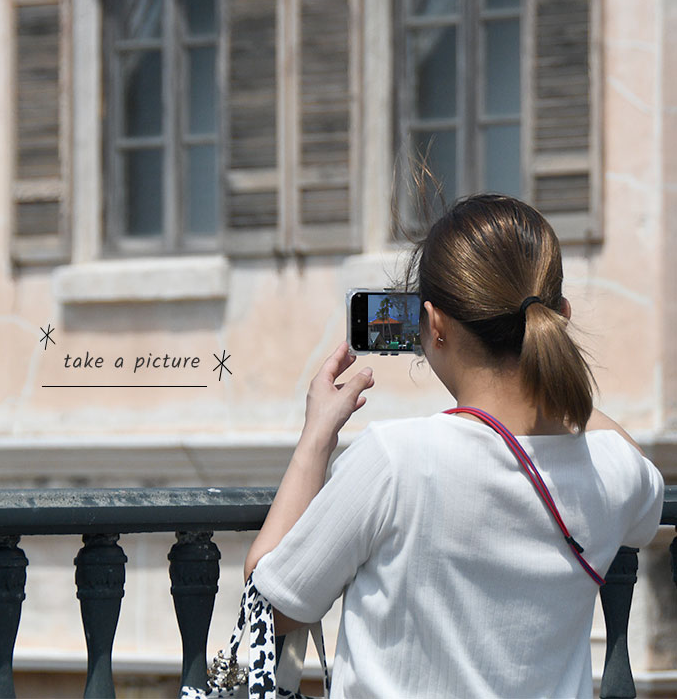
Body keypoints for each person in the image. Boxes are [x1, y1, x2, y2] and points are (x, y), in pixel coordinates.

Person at [244, 194, 664, 698]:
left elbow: (269, 607)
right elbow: (642, 478)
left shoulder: (393, 461)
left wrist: (316, 437)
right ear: (560, 319)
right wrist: (552, 377)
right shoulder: (612, 471)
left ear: (434, 326)